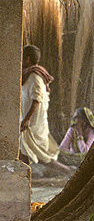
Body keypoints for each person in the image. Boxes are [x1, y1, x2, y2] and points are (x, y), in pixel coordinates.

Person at [19, 45, 71, 173]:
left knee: (42, 156)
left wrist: (27, 120)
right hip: (29, 123)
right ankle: (25, 182)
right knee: (24, 152)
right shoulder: (29, 75)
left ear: (28, 59)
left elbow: (37, 100)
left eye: (23, 58)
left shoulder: (35, 77)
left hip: (33, 124)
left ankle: (68, 171)